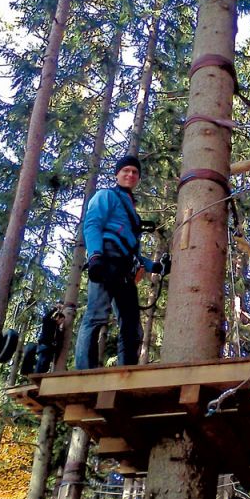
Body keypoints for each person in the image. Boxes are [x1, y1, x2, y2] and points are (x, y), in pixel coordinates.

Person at [74, 154, 170, 370]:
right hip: (106, 260)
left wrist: (157, 267)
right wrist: (96, 256)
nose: (130, 174)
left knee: (132, 327)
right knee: (96, 316)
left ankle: (127, 371)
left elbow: (134, 253)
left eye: (135, 172)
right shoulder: (106, 196)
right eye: (126, 170)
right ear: (117, 174)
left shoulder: (132, 217)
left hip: (125, 267)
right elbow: (92, 224)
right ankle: (83, 373)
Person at [34, 302, 65, 373]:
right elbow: (45, 318)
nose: (61, 322)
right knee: (41, 362)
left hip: (50, 349)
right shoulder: (49, 322)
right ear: (57, 318)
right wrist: (55, 309)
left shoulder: (57, 330)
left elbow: (59, 339)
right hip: (44, 345)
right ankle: (36, 375)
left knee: (45, 366)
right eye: (61, 320)